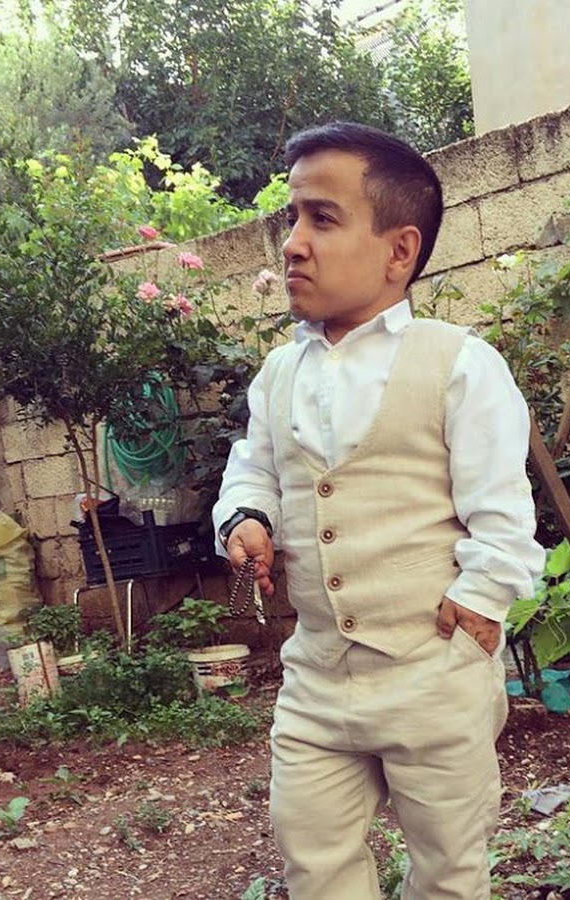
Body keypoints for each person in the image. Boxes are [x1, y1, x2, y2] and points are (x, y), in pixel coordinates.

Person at [212, 121, 545, 900]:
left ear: (399, 251)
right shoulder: (277, 374)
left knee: (448, 867)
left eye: (322, 219)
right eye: (291, 218)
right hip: (317, 679)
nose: (293, 243)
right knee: (312, 856)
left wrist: (478, 603)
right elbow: (253, 467)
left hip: (431, 671)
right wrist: (247, 517)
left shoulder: (457, 364)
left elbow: (502, 512)